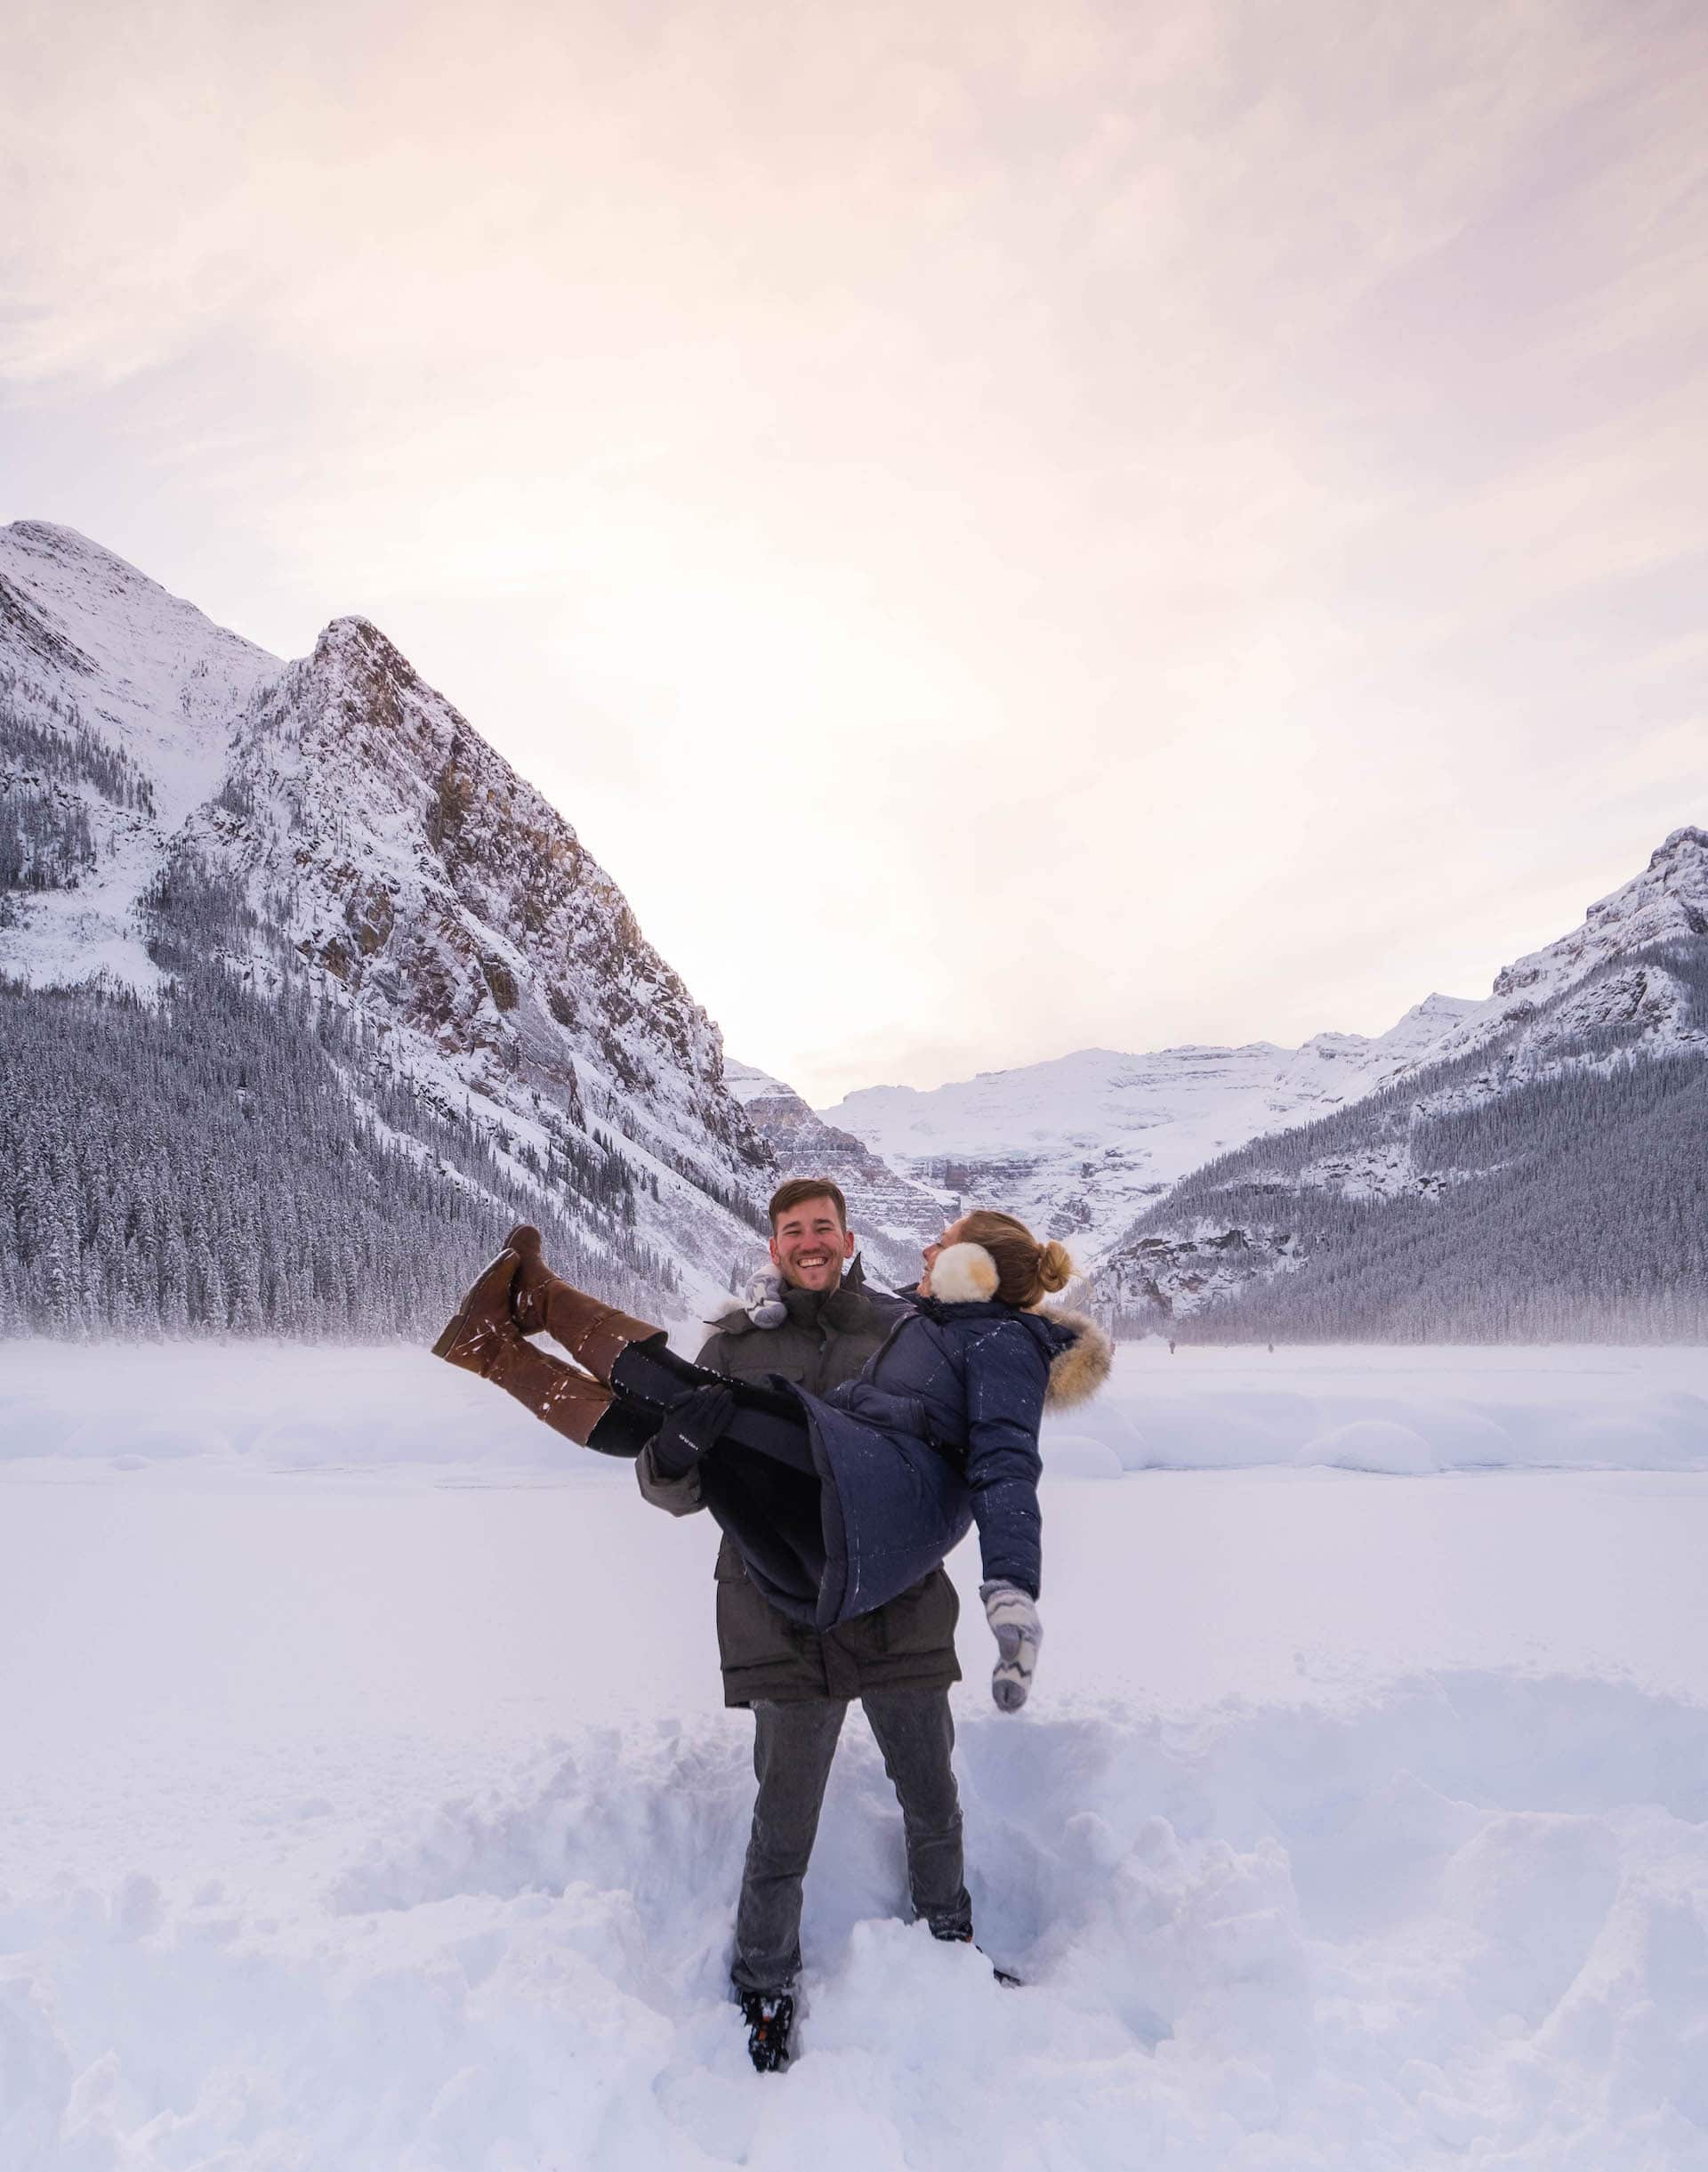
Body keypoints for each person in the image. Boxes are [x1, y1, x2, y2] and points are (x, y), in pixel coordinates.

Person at [431, 1194, 1110, 2066]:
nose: (809, 1242)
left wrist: (1012, 1589)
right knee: (783, 1819)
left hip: (897, 1604)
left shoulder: (909, 1318)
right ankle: (763, 1981)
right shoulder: (740, 1340)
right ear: (774, 1246)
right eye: (793, 1230)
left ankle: (949, 1947)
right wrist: (674, 1460)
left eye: (823, 1226)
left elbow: (1003, 1444)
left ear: (850, 1239)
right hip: (782, 1596)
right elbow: (669, 1480)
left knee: (931, 1797)